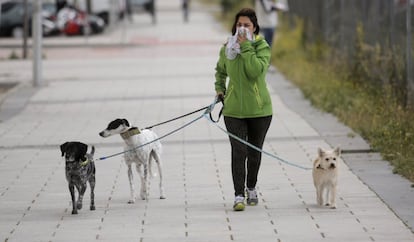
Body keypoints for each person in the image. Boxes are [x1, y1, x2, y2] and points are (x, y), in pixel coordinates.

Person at [214, 8, 273, 211]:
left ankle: (251, 187)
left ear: (254, 27)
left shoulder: (262, 47)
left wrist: (247, 47)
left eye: (247, 25)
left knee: (254, 153)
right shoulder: (227, 49)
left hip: (260, 111)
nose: (242, 29)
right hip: (233, 112)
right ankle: (238, 195)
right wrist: (220, 89)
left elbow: (255, 71)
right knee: (239, 152)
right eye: (239, 25)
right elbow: (220, 71)